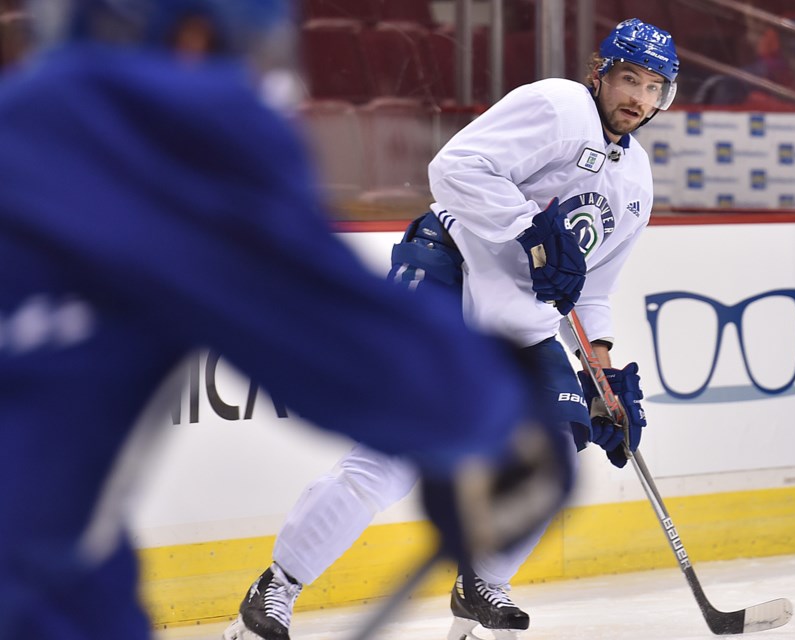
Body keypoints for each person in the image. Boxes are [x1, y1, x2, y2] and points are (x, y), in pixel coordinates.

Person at [0, 1, 577, 638]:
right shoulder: (161, 128)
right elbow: (364, 359)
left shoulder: (32, 124)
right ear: (192, 38)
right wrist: (500, 417)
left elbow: (55, 542)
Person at [225, 17, 675, 640]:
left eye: (655, 88)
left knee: (556, 443)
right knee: (393, 456)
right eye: (629, 79)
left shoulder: (635, 181)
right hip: (449, 271)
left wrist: (599, 367)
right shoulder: (559, 105)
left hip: (516, 316)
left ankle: (479, 585)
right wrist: (530, 234)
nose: (639, 99)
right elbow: (454, 167)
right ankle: (274, 590)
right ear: (599, 73)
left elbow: (591, 288)